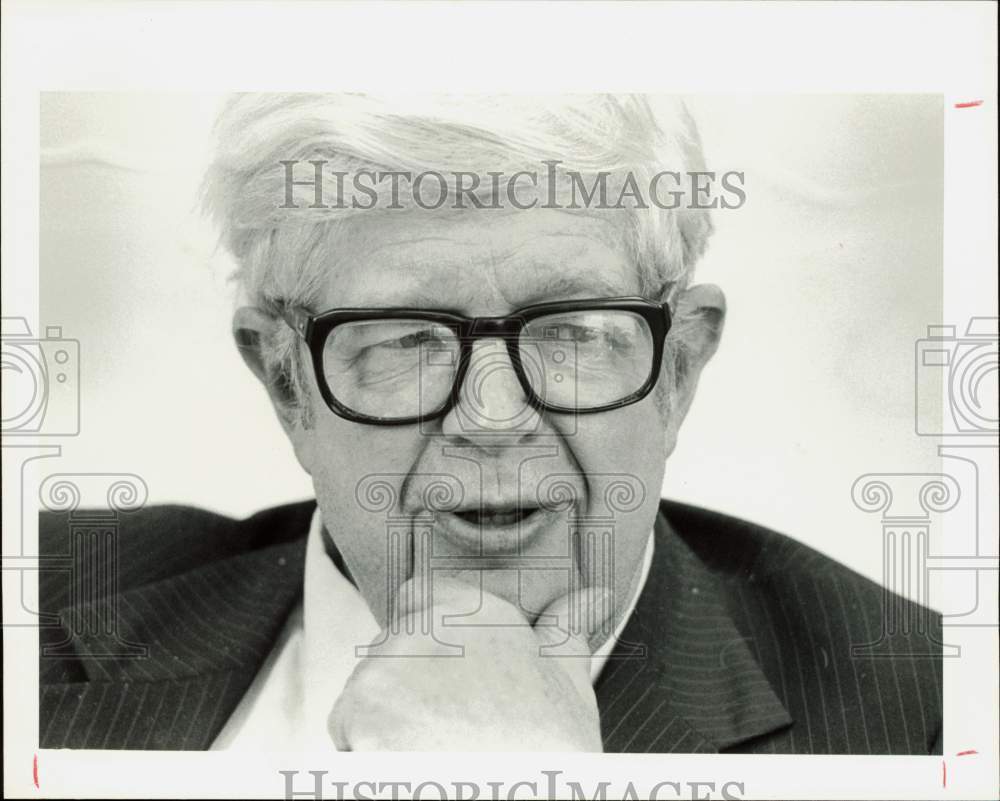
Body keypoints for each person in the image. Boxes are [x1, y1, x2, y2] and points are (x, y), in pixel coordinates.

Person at [39, 94, 942, 753]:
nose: (495, 417)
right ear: (285, 382)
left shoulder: (931, 711)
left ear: (678, 369)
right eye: (404, 341)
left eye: (571, 333)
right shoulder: (37, 606)